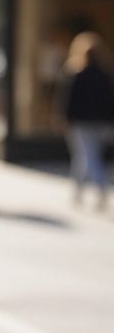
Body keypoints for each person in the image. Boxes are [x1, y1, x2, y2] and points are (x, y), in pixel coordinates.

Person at [57, 31, 114, 209]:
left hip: (82, 122)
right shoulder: (103, 74)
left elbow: (67, 100)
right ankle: (78, 190)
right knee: (84, 156)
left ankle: (101, 188)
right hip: (98, 122)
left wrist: (64, 118)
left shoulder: (76, 73)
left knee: (89, 157)